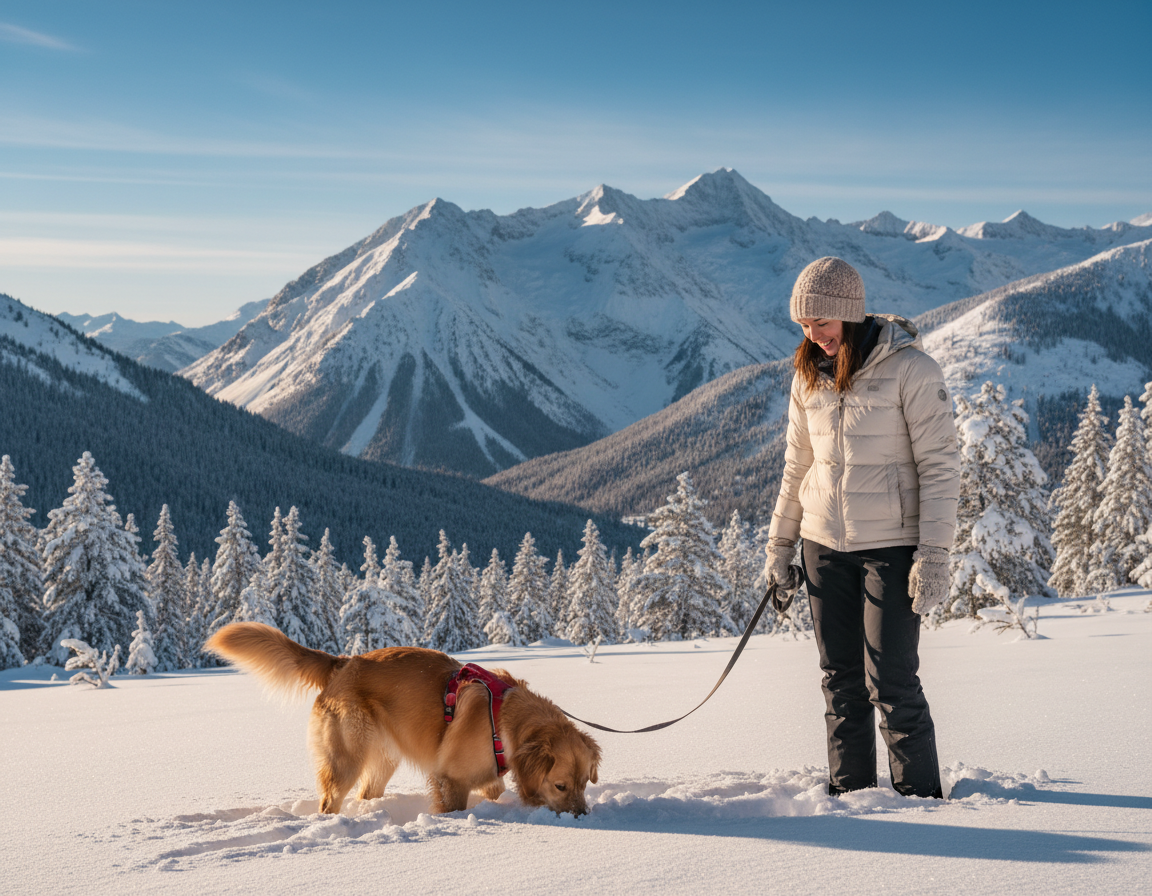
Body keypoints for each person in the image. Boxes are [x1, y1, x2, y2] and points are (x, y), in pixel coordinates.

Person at [764, 256, 960, 799]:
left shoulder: (912, 370)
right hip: (822, 545)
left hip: (891, 548)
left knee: (892, 681)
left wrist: (935, 554)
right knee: (839, 679)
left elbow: (941, 467)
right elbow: (797, 468)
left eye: (821, 323)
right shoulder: (807, 378)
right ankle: (850, 796)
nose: (813, 335)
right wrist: (780, 547)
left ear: (849, 314)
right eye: (804, 325)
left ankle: (921, 803)